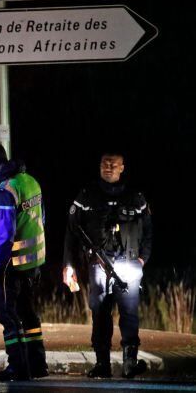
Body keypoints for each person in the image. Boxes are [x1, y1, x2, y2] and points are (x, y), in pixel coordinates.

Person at [63, 151, 151, 379]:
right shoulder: (86, 195)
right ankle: (102, 363)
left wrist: (142, 260)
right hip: (98, 265)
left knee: (129, 314)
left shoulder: (136, 197)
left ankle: (129, 362)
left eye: (113, 164)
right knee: (99, 312)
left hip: (129, 265)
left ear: (123, 167)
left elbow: (148, 232)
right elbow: (72, 233)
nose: (109, 167)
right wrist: (68, 265)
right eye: (104, 163)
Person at [0, 142, 48, 381]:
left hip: (12, 266)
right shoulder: (30, 181)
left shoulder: (5, 191)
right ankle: (38, 364)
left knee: (7, 315)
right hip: (34, 263)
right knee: (28, 314)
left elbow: (3, 237)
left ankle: (18, 366)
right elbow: (42, 219)